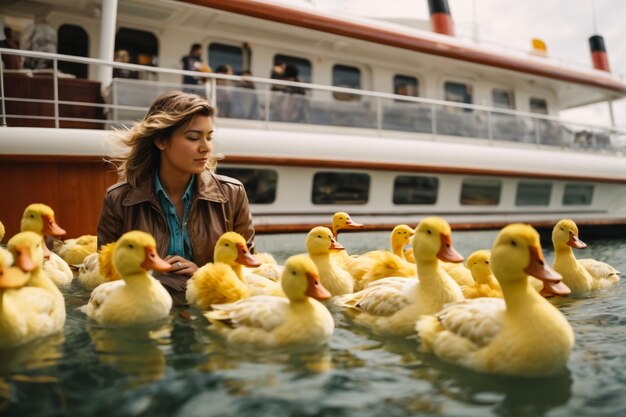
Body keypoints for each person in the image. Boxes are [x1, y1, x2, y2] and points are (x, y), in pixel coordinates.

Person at [97, 90, 256, 300]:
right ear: (161, 141)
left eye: (209, 137)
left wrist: (202, 274)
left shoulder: (233, 194)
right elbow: (107, 278)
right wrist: (156, 275)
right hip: (146, 310)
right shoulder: (118, 200)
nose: (206, 147)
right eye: (193, 137)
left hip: (210, 312)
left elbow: (250, 271)